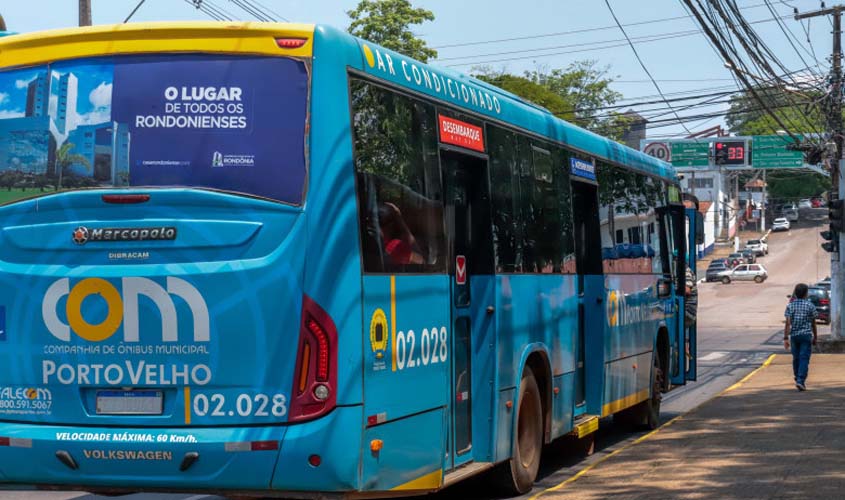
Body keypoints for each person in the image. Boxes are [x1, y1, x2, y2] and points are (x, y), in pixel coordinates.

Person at [784, 283, 818, 391]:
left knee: (796, 358)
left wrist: (785, 338)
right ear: (806, 294)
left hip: (794, 336)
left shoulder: (790, 305)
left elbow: (788, 323)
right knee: (804, 358)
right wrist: (815, 336)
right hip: (806, 335)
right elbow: (813, 323)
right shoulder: (810, 305)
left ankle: (797, 377)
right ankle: (800, 380)